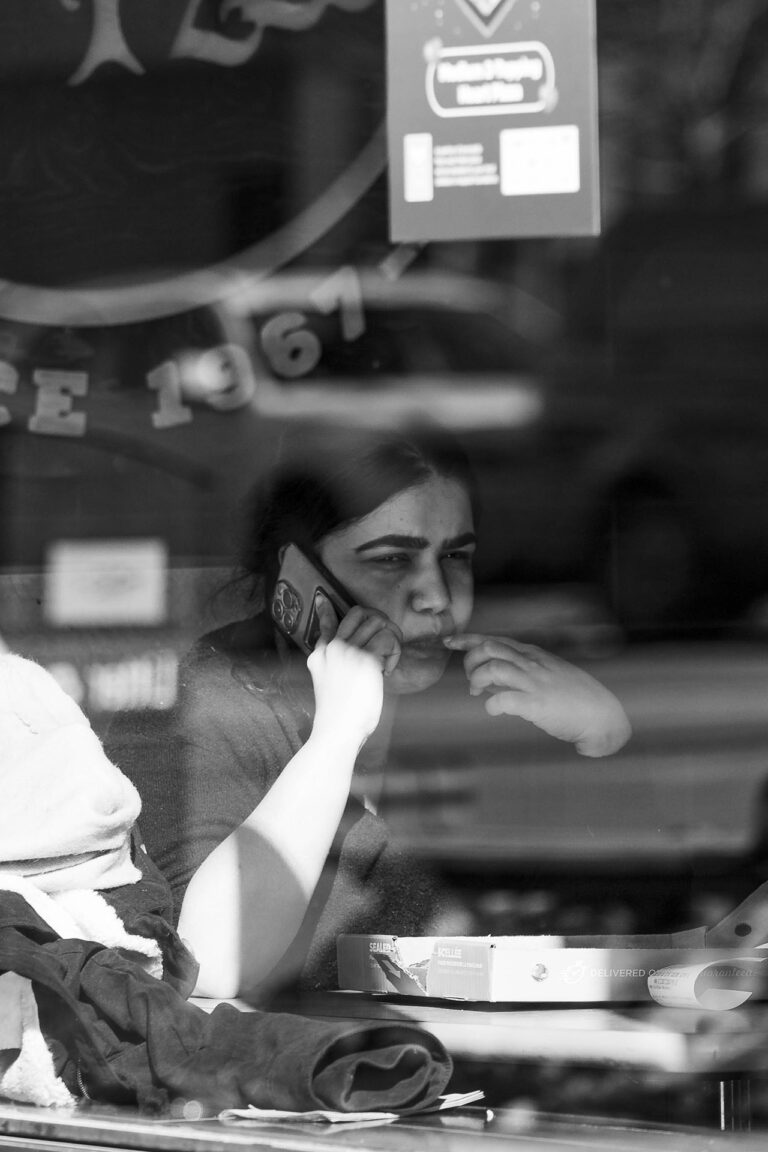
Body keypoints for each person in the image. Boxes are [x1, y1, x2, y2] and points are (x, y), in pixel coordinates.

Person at [127, 427, 631, 1001]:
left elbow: (619, 904)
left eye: (456, 557)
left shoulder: (496, 696)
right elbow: (209, 963)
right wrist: (336, 738)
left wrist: (606, 735)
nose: (436, 596)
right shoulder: (212, 703)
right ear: (298, 576)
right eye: (392, 560)